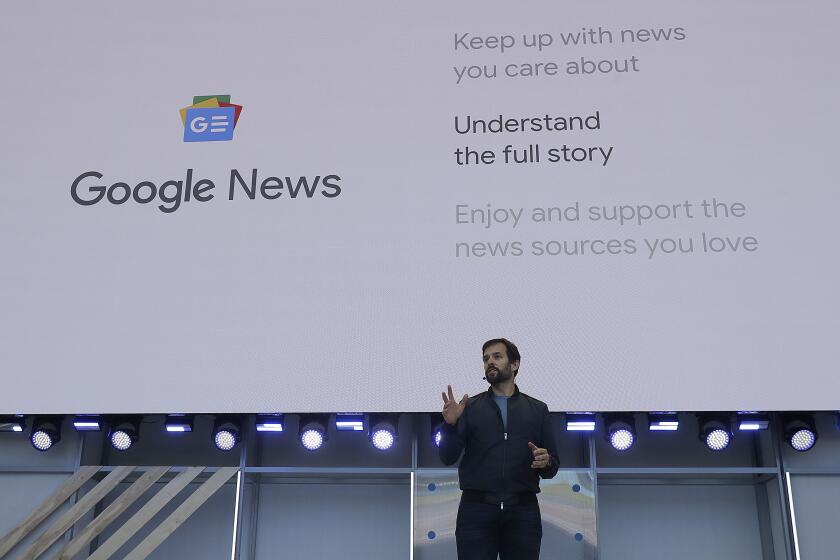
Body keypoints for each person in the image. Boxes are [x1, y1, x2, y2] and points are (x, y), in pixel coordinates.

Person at [439, 338, 559, 560]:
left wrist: (547, 461)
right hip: (476, 510)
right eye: (486, 359)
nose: (490, 362)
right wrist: (449, 426)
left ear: (515, 364)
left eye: (497, 357)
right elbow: (447, 456)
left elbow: (552, 467)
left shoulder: (537, 410)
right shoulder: (470, 407)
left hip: (523, 511)